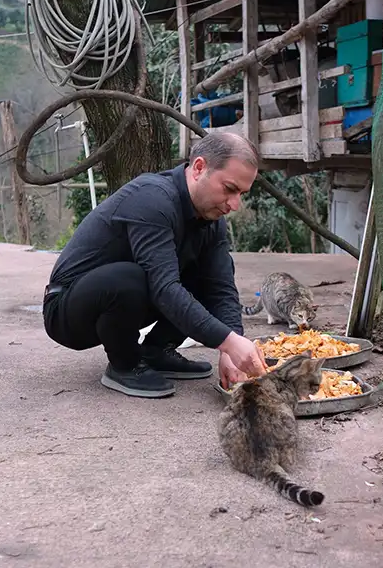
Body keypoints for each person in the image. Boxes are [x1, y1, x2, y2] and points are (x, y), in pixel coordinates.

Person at [42, 131, 269, 399]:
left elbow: (221, 286)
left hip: (128, 300)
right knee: (132, 278)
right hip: (68, 312)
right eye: (230, 189)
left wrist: (231, 349)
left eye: (241, 193)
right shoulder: (153, 198)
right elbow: (164, 289)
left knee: (205, 273)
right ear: (199, 168)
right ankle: (124, 364)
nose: (235, 204)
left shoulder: (211, 220)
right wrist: (228, 343)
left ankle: (157, 351)